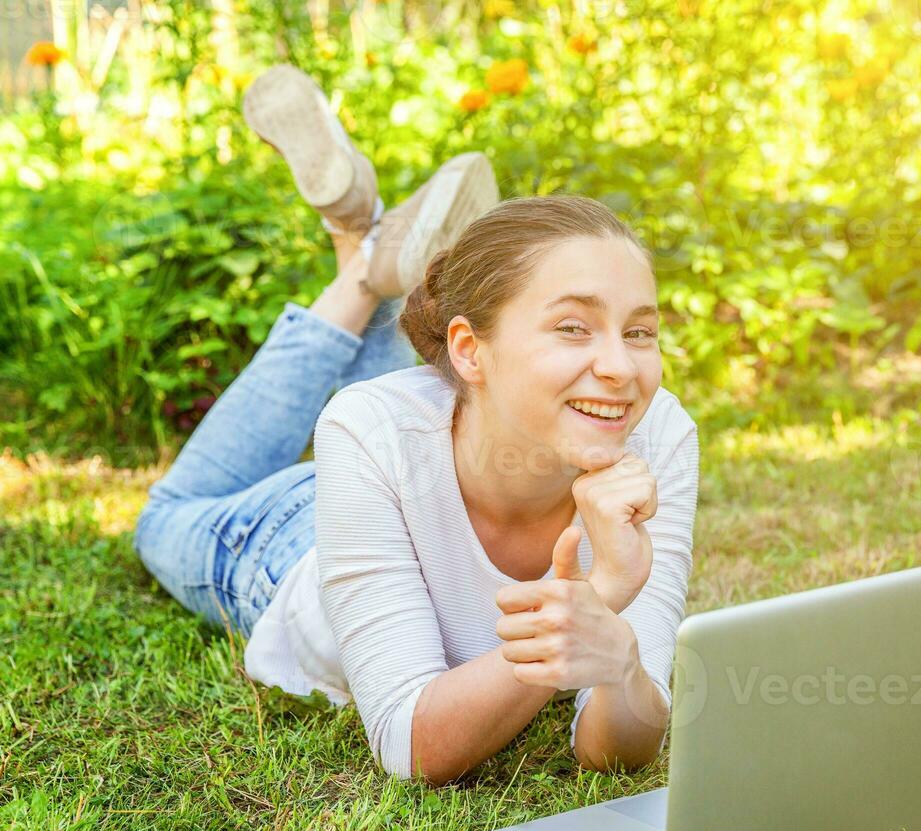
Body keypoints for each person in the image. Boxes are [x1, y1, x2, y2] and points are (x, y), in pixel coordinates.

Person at [131, 66, 700, 785]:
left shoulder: (659, 436)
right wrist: (579, 614)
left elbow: (615, 751)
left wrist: (618, 649)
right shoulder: (370, 428)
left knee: (404, 415)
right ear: (468, 349)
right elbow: (415, 747)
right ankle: (364, 269)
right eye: (573, 327)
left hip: (413, 460)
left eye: (640, 332)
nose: (621, 367)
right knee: (164, 519)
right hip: (292, 539)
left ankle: (360, 241)